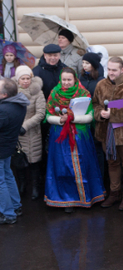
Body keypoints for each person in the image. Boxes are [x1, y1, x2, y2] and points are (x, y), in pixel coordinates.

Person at [43, 67, 105, 213]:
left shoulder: (84, 94)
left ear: (75, 79)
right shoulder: (54, 93)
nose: (66, 82)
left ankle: (86, 197)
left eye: (69, 79)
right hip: (60, 135)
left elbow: (90, 116)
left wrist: (72, 118)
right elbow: (47, 115)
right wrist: (60, 120)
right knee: (62, 166)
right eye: (63, 79)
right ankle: (66, 199)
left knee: (83, 164)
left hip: (80, 134)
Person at [93, 57, 123, 210]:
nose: (110, 72)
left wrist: (112, 114)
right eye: (108, 69)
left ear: (122, 70)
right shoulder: (101, 85)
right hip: (105, 133)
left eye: (114, 70)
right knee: (112, 163)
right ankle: (114, 193)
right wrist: (100, 113)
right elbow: (95, 104)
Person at [12, 66, 45, 200]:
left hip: (32, 132)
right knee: (19, 160)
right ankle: (22, 185)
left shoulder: (38, 92)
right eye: (22, 78)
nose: (25, 81)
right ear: (17, 80)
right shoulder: (12, 92)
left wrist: (25, 126)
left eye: (28, 78)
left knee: (34, 162)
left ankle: (35, 187)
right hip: (15, 132)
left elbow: (41, 113)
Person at [0, 78, 29, 224]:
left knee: (1, 181)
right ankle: (16, 206)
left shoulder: (4, 110)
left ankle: (8, 214)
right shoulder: (19, 105)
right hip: (8, 147)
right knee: (8, 175)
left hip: (1, 147)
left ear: (4, 95)